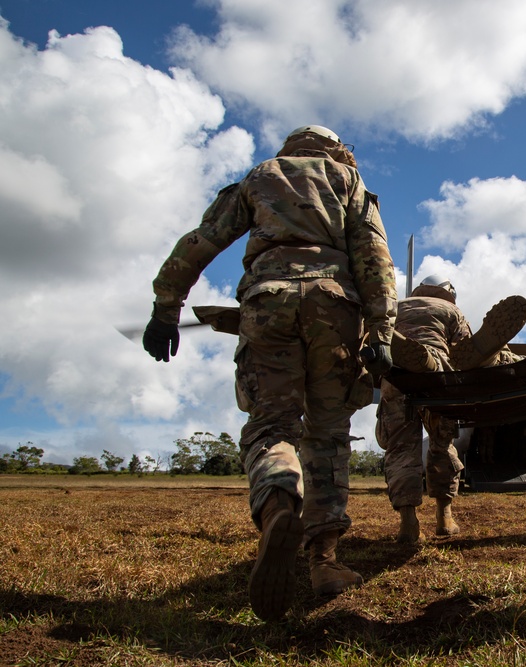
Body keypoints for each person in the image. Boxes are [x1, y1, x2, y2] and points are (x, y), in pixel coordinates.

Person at [141, 125, 397, 622]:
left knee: (272, 424)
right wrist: (382, 331)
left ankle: (279, 502)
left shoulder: (260, 177)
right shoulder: (349, 181)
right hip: (334, 306)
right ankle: (323, 561)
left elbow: (201, 241)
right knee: (327, 434)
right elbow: (374, 258)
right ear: (334, 149)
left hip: (268, 300)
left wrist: (166, 306)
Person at [376, 275, 526, 542]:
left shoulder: (399, 306)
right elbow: (464, 354)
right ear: (448, 293)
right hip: (439, 384)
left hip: (396, 377)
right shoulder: (451, 310)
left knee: (400, 446)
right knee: (441, 443)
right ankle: (444, 518)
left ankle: (408, 523)